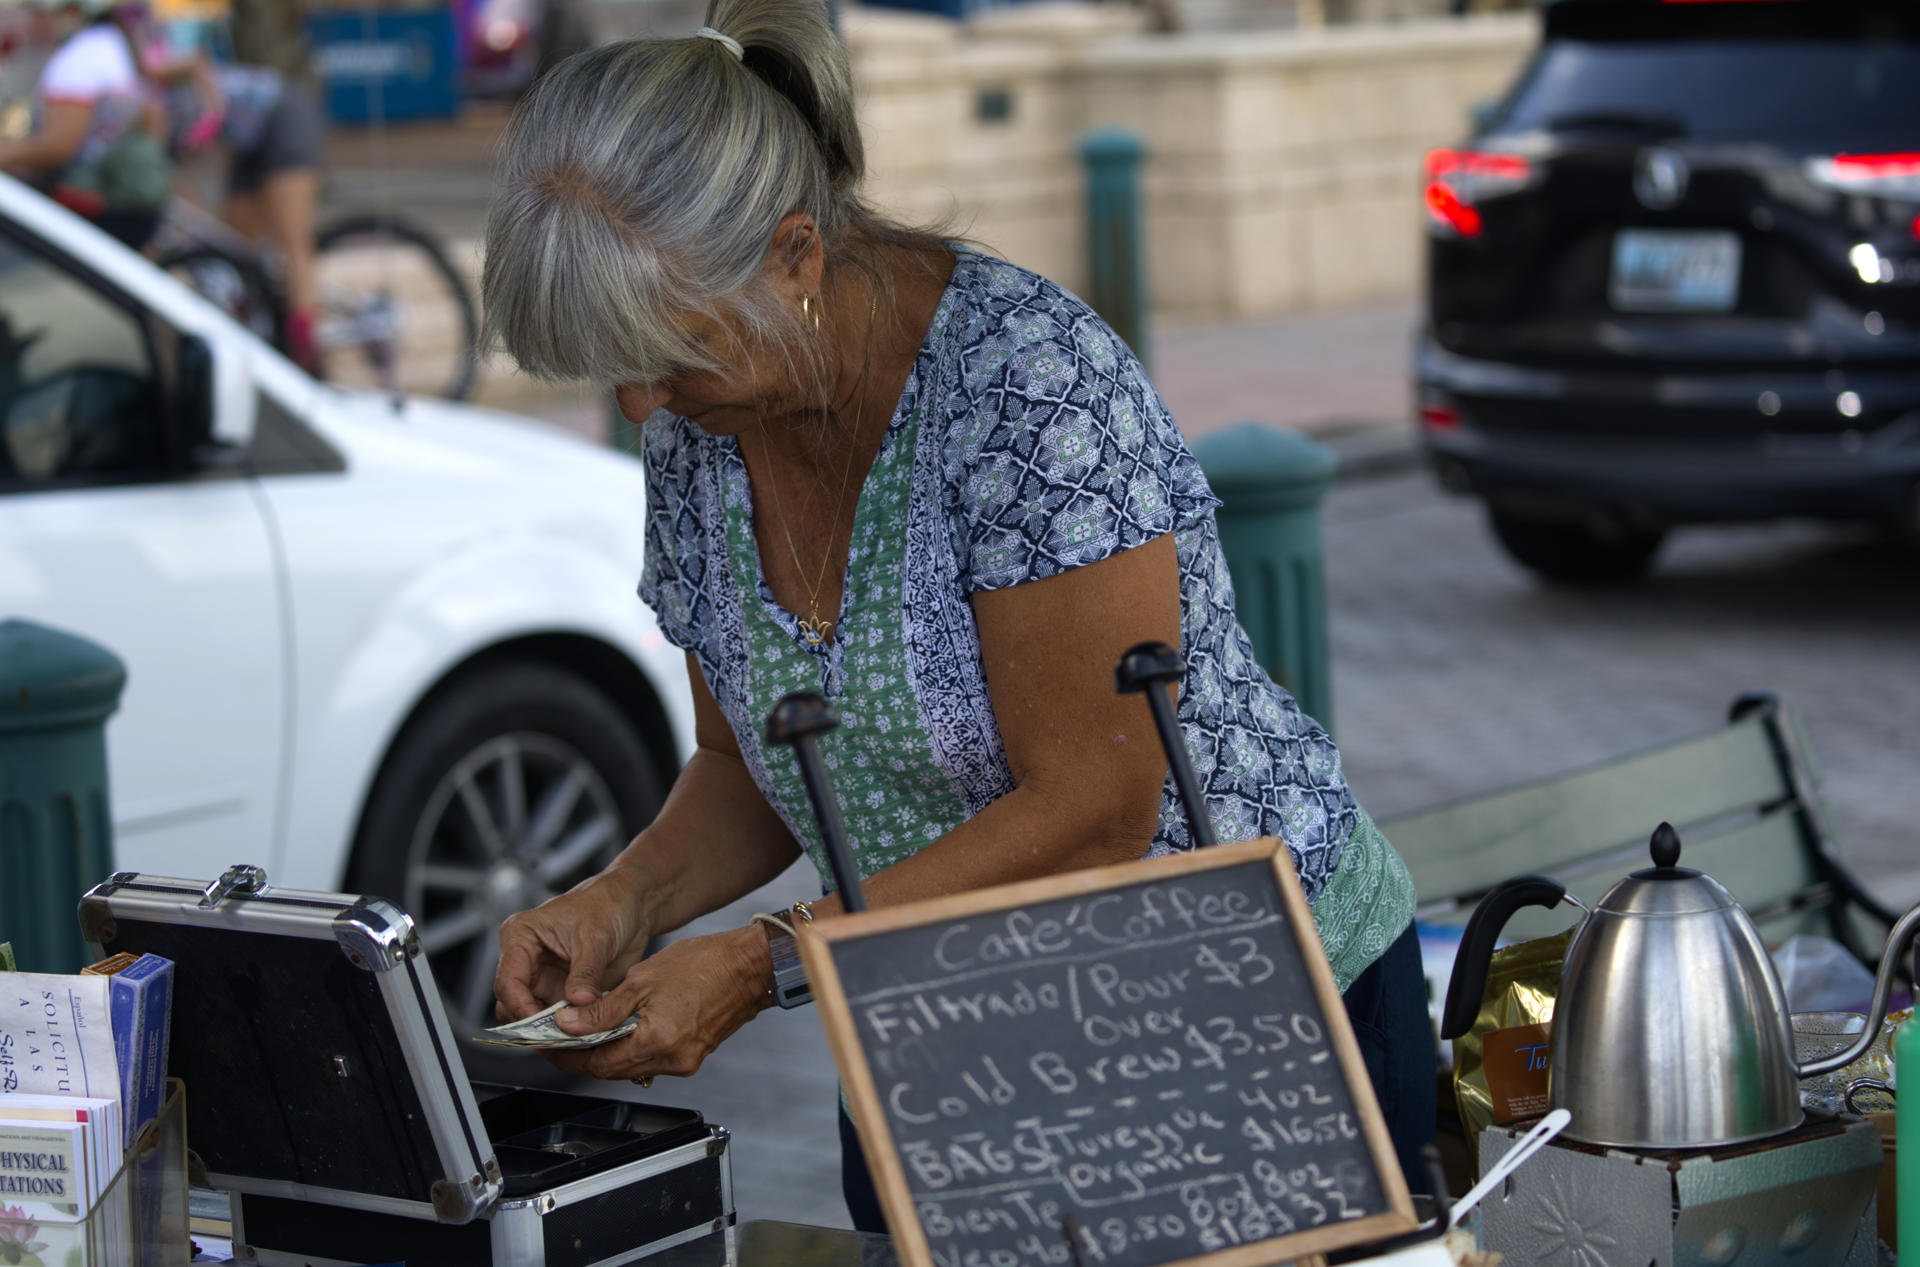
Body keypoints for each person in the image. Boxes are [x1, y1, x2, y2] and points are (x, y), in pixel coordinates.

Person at [483, 0, 1433, 1231]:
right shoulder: (700, 429)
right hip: (944, 1025)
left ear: (795, 260)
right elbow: (741, 763)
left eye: (671, 351)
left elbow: (1094, 808)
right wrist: (624, 900)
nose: (637, 402)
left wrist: (770, 957)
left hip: (1223, 1014)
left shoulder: (1025, 388)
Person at [129, 8, 326, 371]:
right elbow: (184, 205)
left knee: (292, 237)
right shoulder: (152, 125)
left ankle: (306, 347)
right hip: (248, 142)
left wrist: (212, 109)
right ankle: (259, 328)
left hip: (284, 115)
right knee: (233, 244)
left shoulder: (151, 81)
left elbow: (196, 62)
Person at [0, 0, 170, 247]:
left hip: (95, 209)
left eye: (37, 14)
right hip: (127, 202)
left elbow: (58, 147)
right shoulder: (107, 41)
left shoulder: (78, 59)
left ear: (70, 13)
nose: (30, 23)